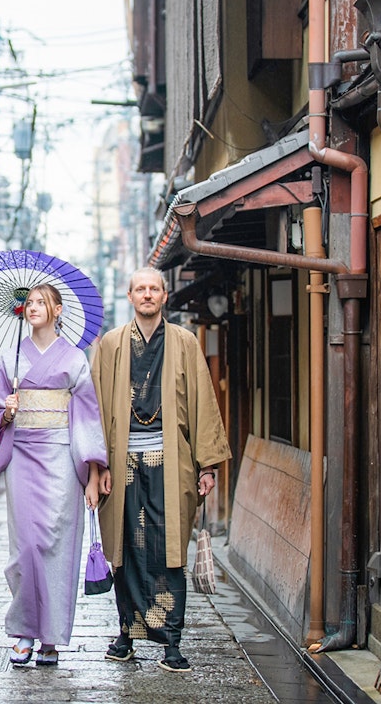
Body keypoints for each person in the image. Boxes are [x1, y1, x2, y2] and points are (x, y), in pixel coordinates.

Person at [90, 267, 230, 673]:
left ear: (165, 296)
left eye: (154, 288)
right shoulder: (112, 344)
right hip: (122, 464)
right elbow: (96, 408)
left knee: (169, 552)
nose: (147, 295)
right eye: (140, 289)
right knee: (126, 550)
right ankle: (126, 634)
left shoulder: (184, 342)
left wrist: (207, 466)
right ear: (130, 296)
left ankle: (171, 641)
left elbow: (203, 401)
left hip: (173, 464)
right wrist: (97, 467)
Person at [0, 283, 108, 667]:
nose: (33, 307)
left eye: (41, 302)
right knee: (25, 547)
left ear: (57, 310)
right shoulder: (11, 357)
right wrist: (7, 411)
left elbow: (87, 417)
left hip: (61, 457)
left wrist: (92, 473)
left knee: (57, 544)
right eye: (30, 303)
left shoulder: (75, 359)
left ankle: (51, 637)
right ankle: (23, 631)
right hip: (21, 455)